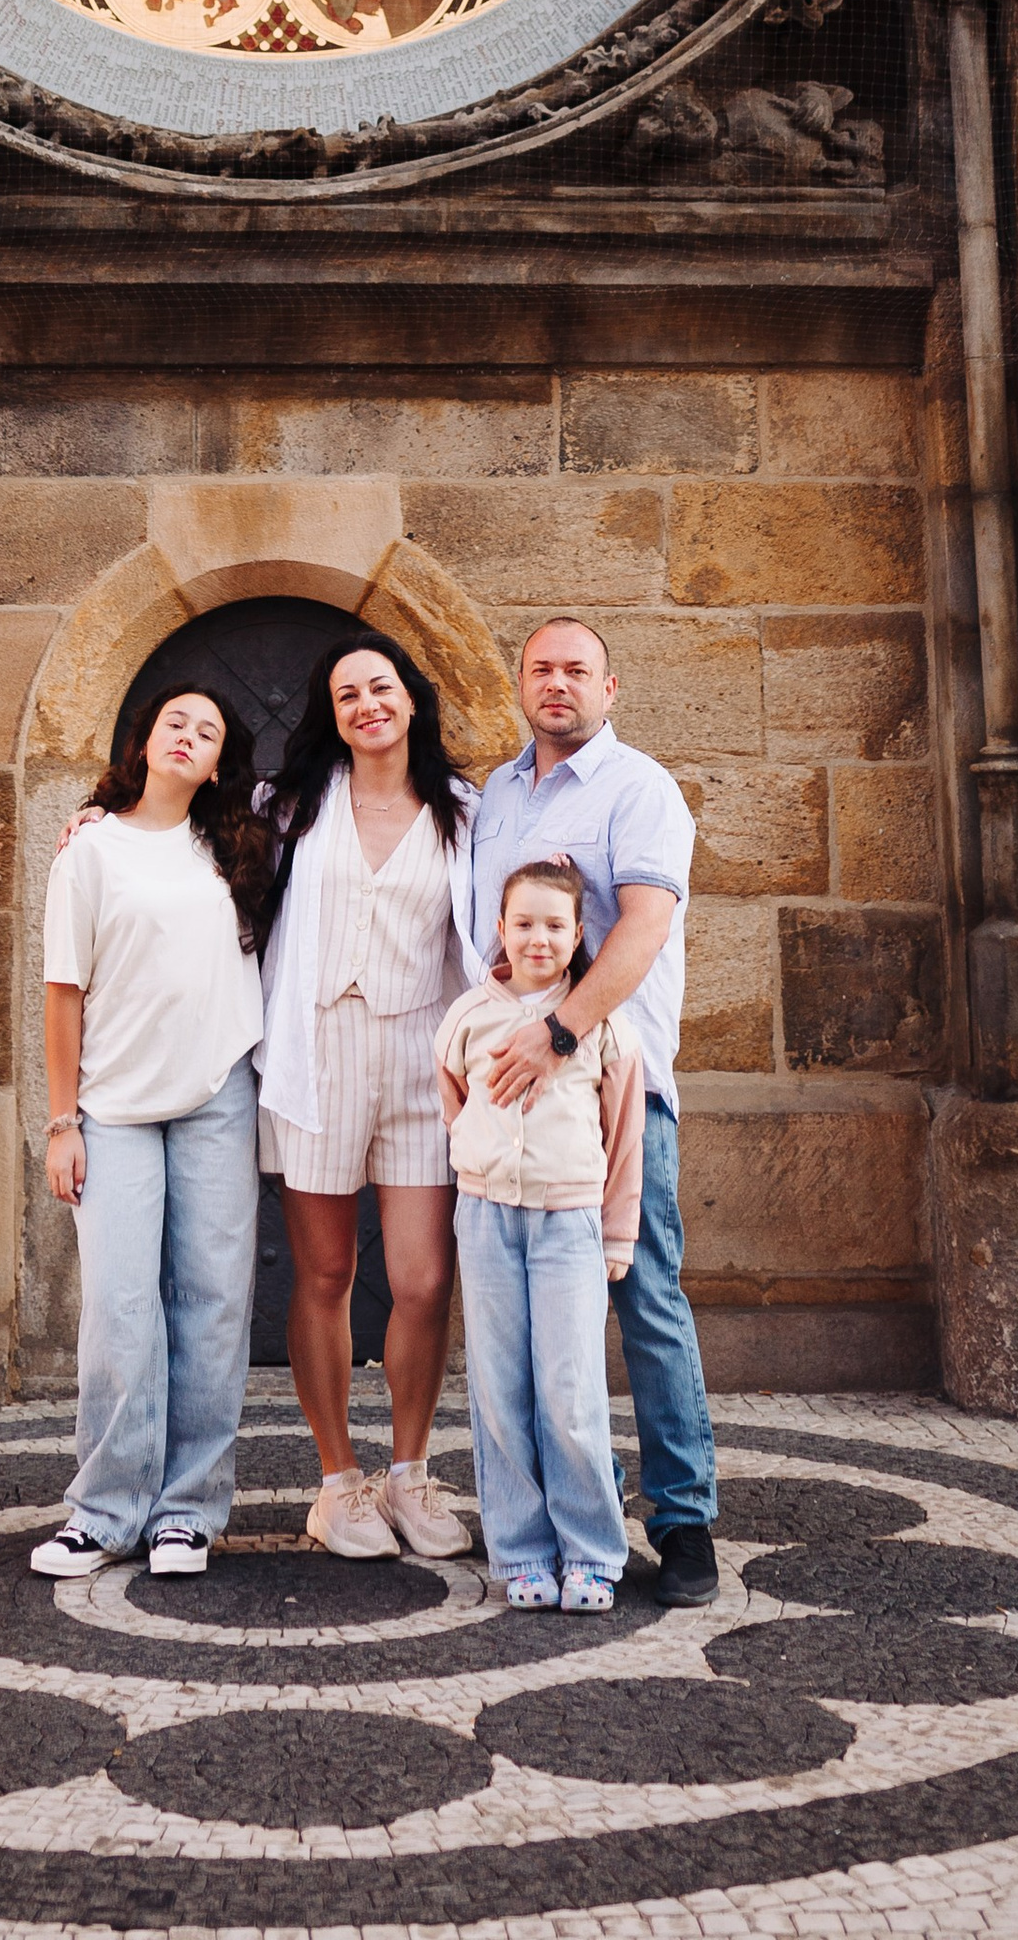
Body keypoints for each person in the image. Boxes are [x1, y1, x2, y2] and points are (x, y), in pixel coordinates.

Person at [456, 618, 720, 1606]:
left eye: (576, 670)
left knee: (643, 1291)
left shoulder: (636, 789)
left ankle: (684, 1518)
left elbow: (644, 926)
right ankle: (574, 1511)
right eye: (540, 669)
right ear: (518, 686)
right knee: (528, 1324)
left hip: (610, 1087)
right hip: (511, 1106)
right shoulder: (495, 796)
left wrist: (559, 1033)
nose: (556, 683)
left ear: (613, 687)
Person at [33, 682, 272, 1581]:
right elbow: (64, 993)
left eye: (209, 730)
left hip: (217, 1097)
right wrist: (64, 1123)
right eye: (177, 721)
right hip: (113, 1108)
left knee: (213, 1305)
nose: (190, 735)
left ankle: (187, 1514)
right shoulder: (87, 852)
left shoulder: (236, 849)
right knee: (121, 1310)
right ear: (145, 740)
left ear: (219, 764)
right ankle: (104, 1511)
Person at [257, 635, 486, 1563]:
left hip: (422, 1052)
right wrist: (91, 821)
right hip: (316, 1047)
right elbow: (184, 837)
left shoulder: (464, 810)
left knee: (425, 1279)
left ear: (411, 700)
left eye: (379, 687)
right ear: (333, 712)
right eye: (346, 692)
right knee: (325, 1275)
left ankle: (409, 1473)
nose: (365, 704)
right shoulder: (289, 805)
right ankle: (336, 1483)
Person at [438, 855, 644, 1610]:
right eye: (523, 924)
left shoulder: (603, 1029)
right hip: (488, 1221)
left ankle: (590, 1550)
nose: (538, 939)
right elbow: (453, 1099)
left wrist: (618, 1235)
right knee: (499, 1391)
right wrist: (478, 1162)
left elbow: (624, 1139)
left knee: (570, 1391)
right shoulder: (468, 1017)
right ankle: (521, 1550)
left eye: (554, 926)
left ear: (578, 932)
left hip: (569, 1228)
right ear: (499, 929)